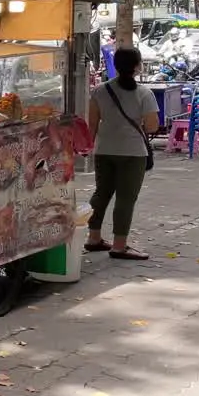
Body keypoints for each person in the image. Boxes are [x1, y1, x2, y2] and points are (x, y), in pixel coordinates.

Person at [86, 47, 158, 261]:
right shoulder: (144, 93)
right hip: (133, 152)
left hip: (105, 150)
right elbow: (153, 126)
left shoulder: (99, 91)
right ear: (138, 66)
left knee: (101, 194)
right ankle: (119, 245)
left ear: (116, 65)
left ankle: (93, 237)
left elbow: (92, 126)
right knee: (126, 198)